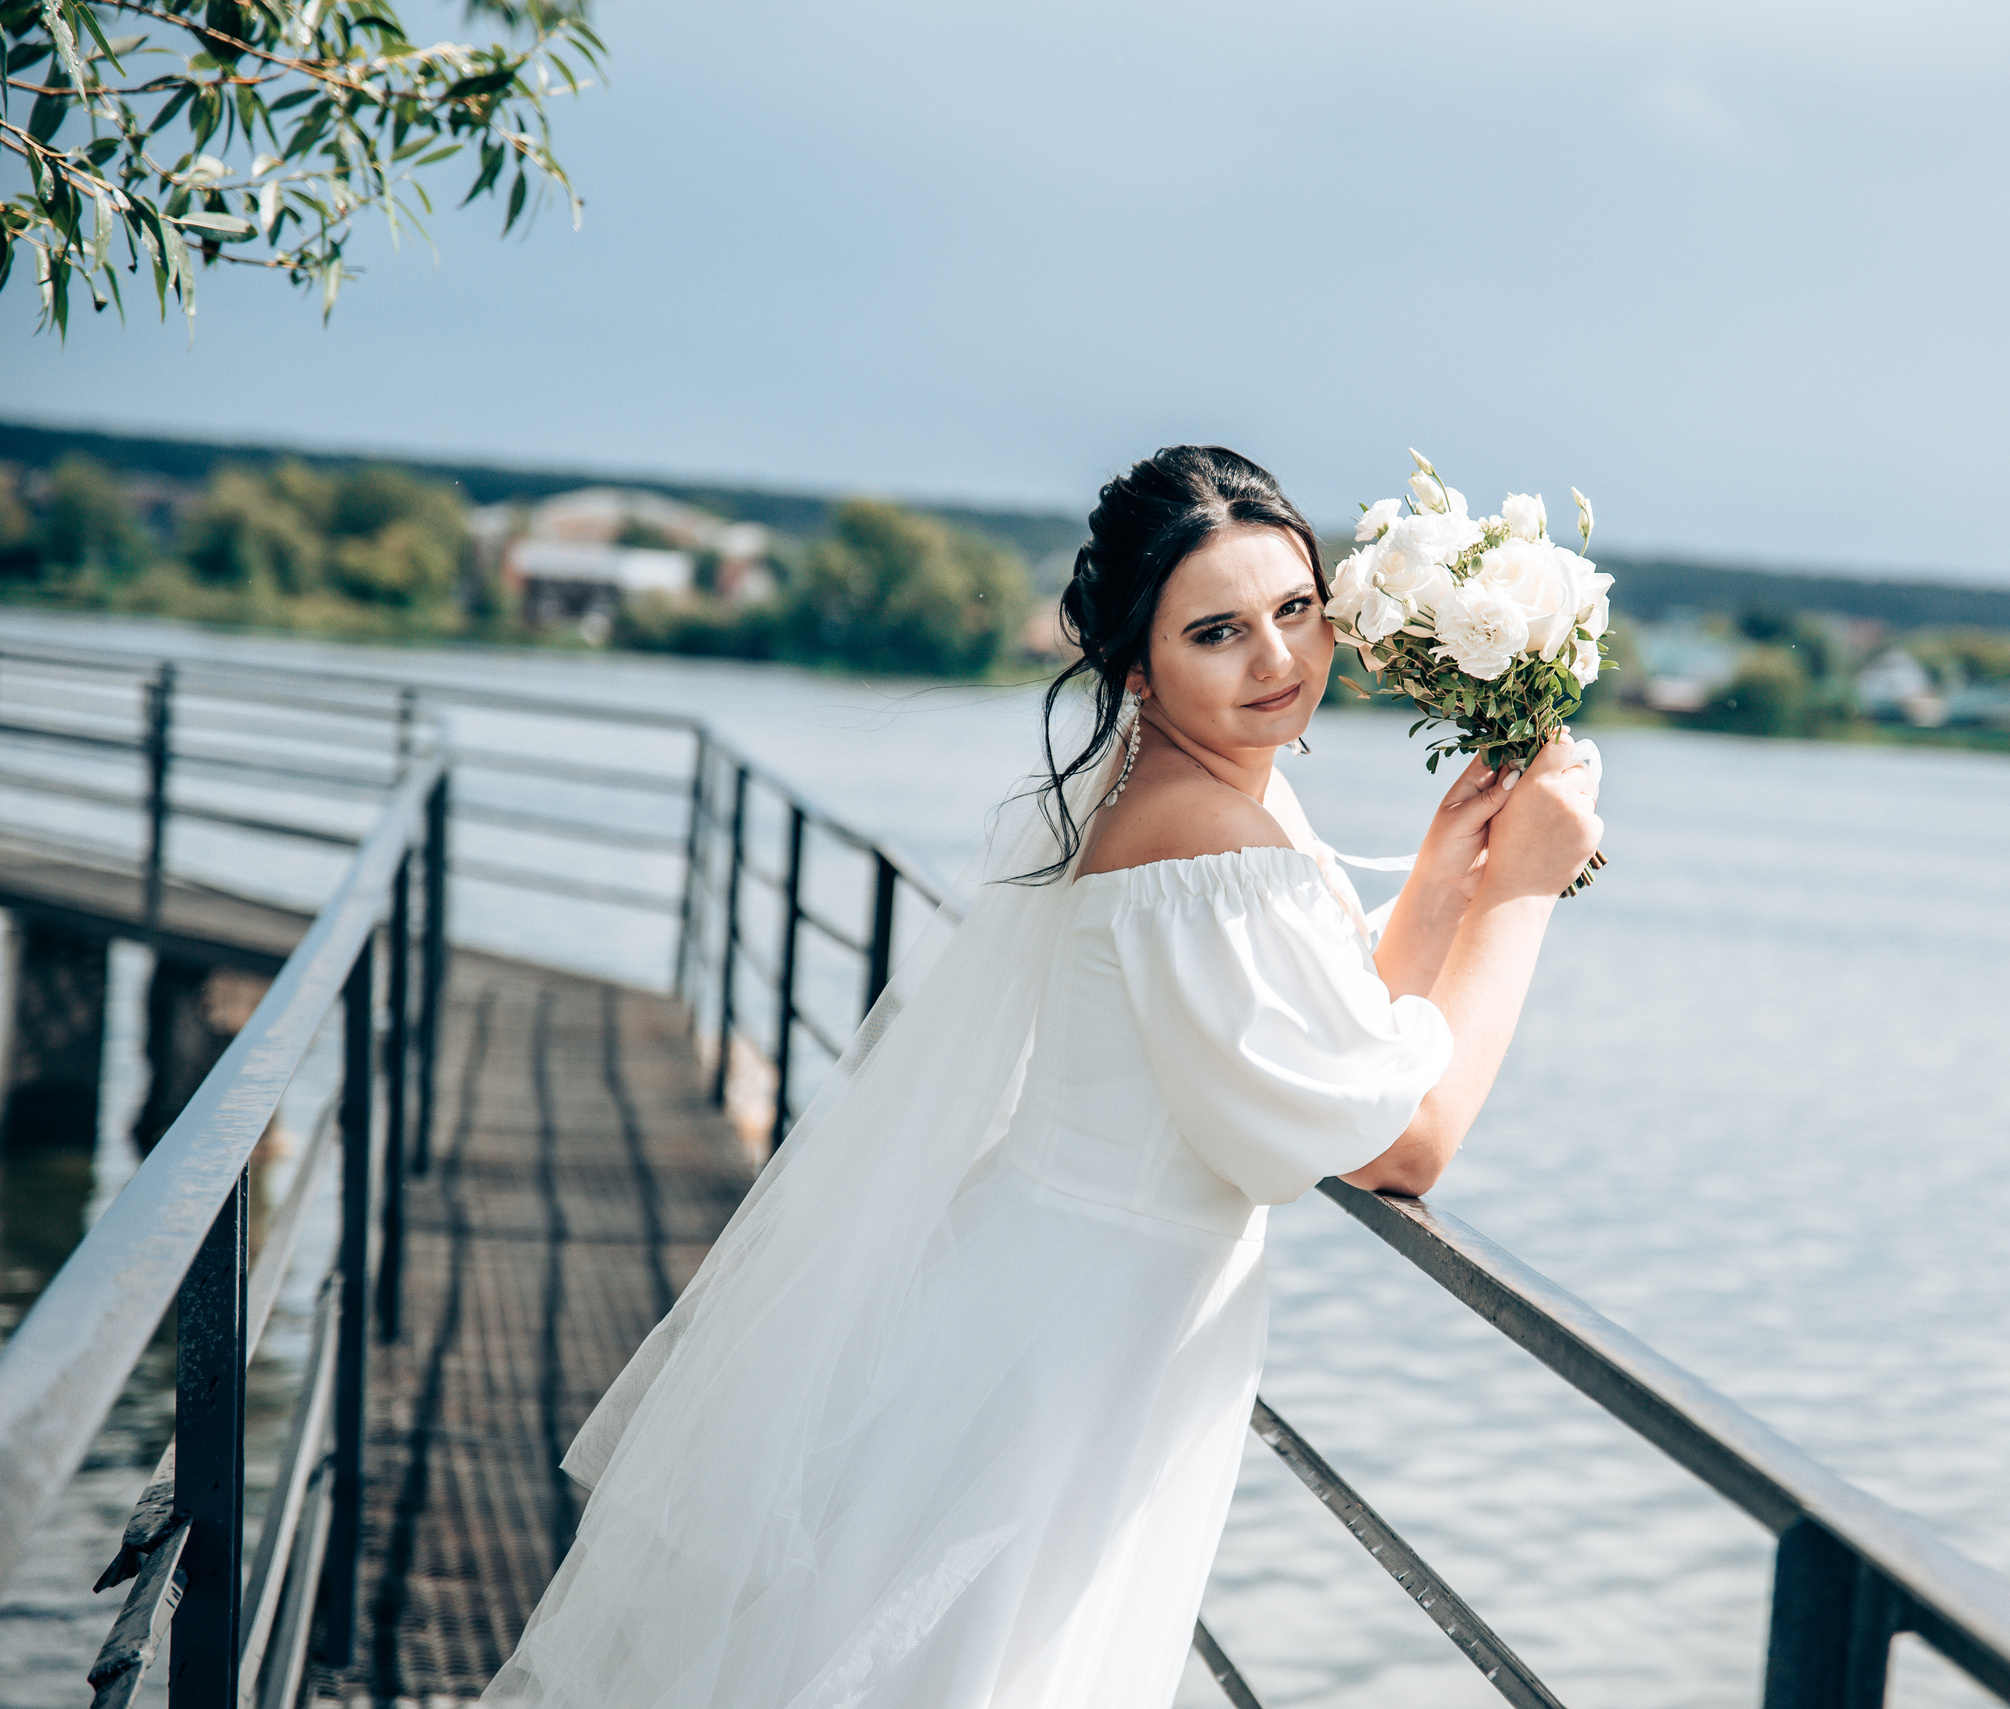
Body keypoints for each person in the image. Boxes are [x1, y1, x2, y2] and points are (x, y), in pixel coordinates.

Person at [480, 445, 1603, 1709]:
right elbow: (1400, 1146)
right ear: (1137, 660)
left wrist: (1445, 882)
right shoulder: (1210, 834)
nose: (1279, 661)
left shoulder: (1204, 791)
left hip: (1053, 1299)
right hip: (1070, 1347)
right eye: (1218, 631)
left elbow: (1333, 1031)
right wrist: (1522, 895)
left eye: (1295, 610)